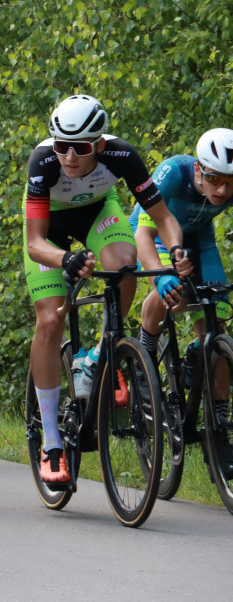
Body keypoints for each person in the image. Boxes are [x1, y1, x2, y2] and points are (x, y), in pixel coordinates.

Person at [24, 94, 189, 486]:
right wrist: (64, 259)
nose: (67, 156)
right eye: (61, 145)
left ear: (98, 144)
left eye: (79, 148)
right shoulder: (43, 161)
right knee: (49, 321)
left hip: (99, 211)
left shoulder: (121, 156)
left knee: (124, 267)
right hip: (51, 230)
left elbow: (163, 218)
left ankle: (101, 354)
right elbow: (34, 241)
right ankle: (51, 445)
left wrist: (177, 249)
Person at [132, 128, 233, 422]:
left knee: (218, 319)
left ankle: (219, 420)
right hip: (154, 233)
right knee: (171, 294)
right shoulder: (174, 171)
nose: (223, 191)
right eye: (214, 178)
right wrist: (160, 277)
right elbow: (143, 232)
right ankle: (146, 351)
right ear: (199, 170)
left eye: (230, 182)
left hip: (200, 240)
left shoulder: (223, 185)